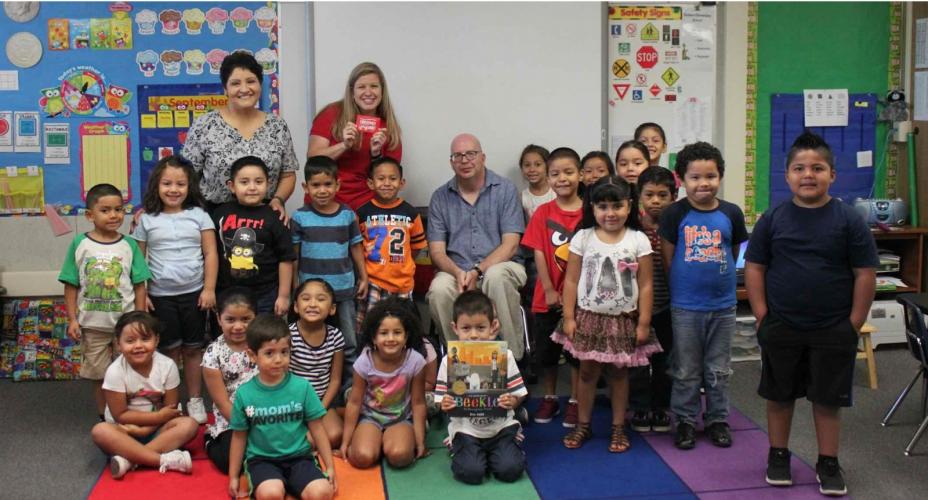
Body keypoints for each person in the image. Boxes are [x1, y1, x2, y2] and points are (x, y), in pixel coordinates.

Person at [745, 132, 877, 496]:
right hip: (782, 324)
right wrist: (761, 315)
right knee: (780, 395)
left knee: (828, 398)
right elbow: (755, 267)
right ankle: (778, 454)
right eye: (799, 168)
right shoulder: (773, 219)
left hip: (833, 327)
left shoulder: (850, 220)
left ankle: (828, 461)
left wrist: (852, 323)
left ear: (832, 175)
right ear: (787, 175)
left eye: (817, 168)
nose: (808, 175)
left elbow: (865, 274)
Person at [552, 176, 661, 452]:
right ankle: (584, 425)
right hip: (589, 318)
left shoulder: (638, 239)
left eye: (617, 206)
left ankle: (617, 428)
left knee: (618, 375)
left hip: (624, 320)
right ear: (592, 208)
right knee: (587, 373)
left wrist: (644, 322)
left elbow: (647, 284)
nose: (610, 213)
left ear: (629, 206)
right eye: (602, 207)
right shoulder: (583, 237)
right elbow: (572, 281)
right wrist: (568, 317)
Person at [659, 142, 749, 450]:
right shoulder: (674, 213)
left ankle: (717, 419)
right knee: (686, 368)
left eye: (710, 176)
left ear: (720, 176)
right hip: (685, 306)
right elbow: (668, 258)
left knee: (719, 368)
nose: (703, 183)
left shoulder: (731, 213)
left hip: (723, 306)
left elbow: (733, 251)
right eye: (695, 177)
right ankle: (684, 420)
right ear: (681, 179)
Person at [132, 155, 218, 424]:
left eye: (180, 184)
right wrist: (142, 295)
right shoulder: (146, 219)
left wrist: (209, 288)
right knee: (168, 350)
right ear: (157, 185)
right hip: (160, 296)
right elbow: (138, 261)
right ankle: (171, 402)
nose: (173, 189)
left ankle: (194, 399)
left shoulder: (199, 215)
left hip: (195, 294)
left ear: (189, 187)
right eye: (167, 183)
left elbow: (211, 253)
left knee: (193, 349)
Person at [427, 133, 527, 360]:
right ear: (451, 162)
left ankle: (511, 362)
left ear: (483, 157)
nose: (464, 160)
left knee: (496, 277)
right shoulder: (440, 197)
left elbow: (511, 244)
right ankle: (460, 361)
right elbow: (437, 252)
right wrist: (459, 273)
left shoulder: (505, 189)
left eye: (470, 154)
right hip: (457, 269)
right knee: (439, 289)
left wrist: (478, 271)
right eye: (457, 156)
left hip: (502, 265)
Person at [59, 183, 152, 418]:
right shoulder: (80, 244)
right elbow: (71, 284)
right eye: (106, 210)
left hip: (125, 326)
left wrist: (139, 319)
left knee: (130, 370)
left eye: (119, 209)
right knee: (99, 374)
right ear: (90, 215)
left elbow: (140, 285)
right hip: (92, 326)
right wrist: (72, 319)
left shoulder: (129, 245)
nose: (114, 215)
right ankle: (106, 416)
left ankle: (131, 412)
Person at [227, 314, 336, 500]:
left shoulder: (302, 387)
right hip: (262, 461)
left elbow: (317, 428)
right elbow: (239, 437)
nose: (278, 359)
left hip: (300, 458)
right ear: (252, 355)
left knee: (322, 492)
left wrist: (330, 466)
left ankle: (295, 484)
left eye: (284, 352)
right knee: (271, 494)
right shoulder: (245, 394)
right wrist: (233, 477)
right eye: (269, 353)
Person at [182, 51, 298, 217]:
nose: (244, 89)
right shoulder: (204, 125)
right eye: (235, 83)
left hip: (264, 218)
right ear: (225, 89)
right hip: (213, 219)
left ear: (260, 84)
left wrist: (278, 200)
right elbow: (185, 176)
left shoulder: (277, 126)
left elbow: (288, 174)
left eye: (251, 81)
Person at [90, 311, 198, 479]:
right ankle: (161, 459)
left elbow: (170, 411)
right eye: (130, 341)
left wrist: (146, 429)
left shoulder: (168, 366)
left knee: (189, 424)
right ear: (118, 344)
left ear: (157, 340)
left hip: (157, 430)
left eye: (145, 339)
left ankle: (130, 460)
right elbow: (120, 414)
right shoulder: (115, 371)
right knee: (100, 431)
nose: (138, 345)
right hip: (124, 431)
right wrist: (148, 424)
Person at [435, 290, 528, 484]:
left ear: (492, 327)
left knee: (510, 471)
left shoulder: (505, 356)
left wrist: (513, 401)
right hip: (467, 430)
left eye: (480, 328)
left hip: (501, 428)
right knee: (471, 473)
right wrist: (444, 403)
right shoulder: (448, 361)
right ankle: (459, 446)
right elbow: (440, 400)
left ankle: (507, 445)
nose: (474, 335)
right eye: (466, 328)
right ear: (455, 328)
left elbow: (519, 393)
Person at [521, 147, 583, 427]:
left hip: (581, 298)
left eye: (568, 172)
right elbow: (538, 252)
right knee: (547, 353)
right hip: (546, 296)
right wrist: (547, 288)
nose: (562, 179)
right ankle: (549, 397)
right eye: (555, 174)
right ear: (549, 177)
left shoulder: (590, 213)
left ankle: (576, 400)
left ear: (580, 175)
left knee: (577, 354)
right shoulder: (542, 212)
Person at [291, 156, 367, 367]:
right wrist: (294, 284)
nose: (322, 190)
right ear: (306, 187)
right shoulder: (299, 217)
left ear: (337, 185)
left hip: (343, 288)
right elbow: (294, 254)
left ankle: (350, 385)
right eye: (316, 185)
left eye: (327, 184)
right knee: (312, 338)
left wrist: (364, 277)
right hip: (311, 292)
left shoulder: (347, 215)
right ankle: (316, 378)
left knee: (349, 339)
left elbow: (355, 247)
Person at [340, 296, 428, 469]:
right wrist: (345, 441)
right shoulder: (364, 362)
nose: (390, 338)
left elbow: (418, 403)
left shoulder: (415, 361)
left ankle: (390, 441)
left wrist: (419, 442)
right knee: (363, 457)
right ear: (373, 338)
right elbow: (355, 402)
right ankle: (370, 441)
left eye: (397, 332)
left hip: (401, 419)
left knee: (400, 456)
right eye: (383, 333)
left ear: (406, 336)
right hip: (370, 418)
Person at [308, 62, 402, 210]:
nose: (368, 92)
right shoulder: (331, 113)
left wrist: (376, 153)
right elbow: (313, 159)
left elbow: (389, 181)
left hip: (368, 204)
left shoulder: (388, 126)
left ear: (382, 91)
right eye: (361, 87)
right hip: (326, 199)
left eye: (374, 86)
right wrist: (344, 145)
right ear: (352, 92)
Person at [213, 156, 296, 316]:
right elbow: (212, 253)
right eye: (244, 182)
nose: (252, 187)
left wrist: (284, 296)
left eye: (258, 182)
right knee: (231, 336)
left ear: (268, 184)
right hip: (227, 293)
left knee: (263, 337)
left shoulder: (275, 216)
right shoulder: (220, 213)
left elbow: (285, 259)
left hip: (265, 294)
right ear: (231, 186)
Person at [628, 166, 677, 433]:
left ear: (674, 195)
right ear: (639, 196)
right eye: (649, 195)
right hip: (636, 309)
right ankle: (639, 407)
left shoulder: (679, 226)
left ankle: (661, 408)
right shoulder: (633, 229)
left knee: (665, 362)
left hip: (668, 306)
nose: (656, 201)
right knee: (637, 361)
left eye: (662, 195)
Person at [356, 157, 427, 327]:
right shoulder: (363, 212)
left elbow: (415, 248)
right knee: (372, 326)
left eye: (392, 179)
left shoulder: (410, 213)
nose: (387, 183)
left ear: (401, 183)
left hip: (402, 284)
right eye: (381, 179)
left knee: (401, 327)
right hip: (373, 281)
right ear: (370, 183)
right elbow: (357, 246)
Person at [201, 288, 258, 474]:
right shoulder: (213, 353)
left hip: (266, 413)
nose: (238, 326)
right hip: (232, 418)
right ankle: (211, 441)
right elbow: (222, 402)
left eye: (246, 319)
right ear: (219, 319)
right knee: (232, 461)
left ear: (255, 318)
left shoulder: (263, 345)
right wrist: (247, 427)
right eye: (230, 320)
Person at [289, 278, 346, 449]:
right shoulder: (287, 335)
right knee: (306, 442)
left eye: (321, 299)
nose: (313, 304)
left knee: (336, 435)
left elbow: (335, 380)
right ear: (296, 306)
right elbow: (281, 377)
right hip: (292, 403)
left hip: (321, 402)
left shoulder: (336, 336)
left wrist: (319, 410)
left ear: (332, 309)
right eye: (306, 299)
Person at [518, 144, 554, 220]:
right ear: (521, 168)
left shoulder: (557, 192)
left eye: (538, 164)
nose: (532, 169)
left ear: (548, 166)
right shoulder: (521, 198)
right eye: (527, 165)